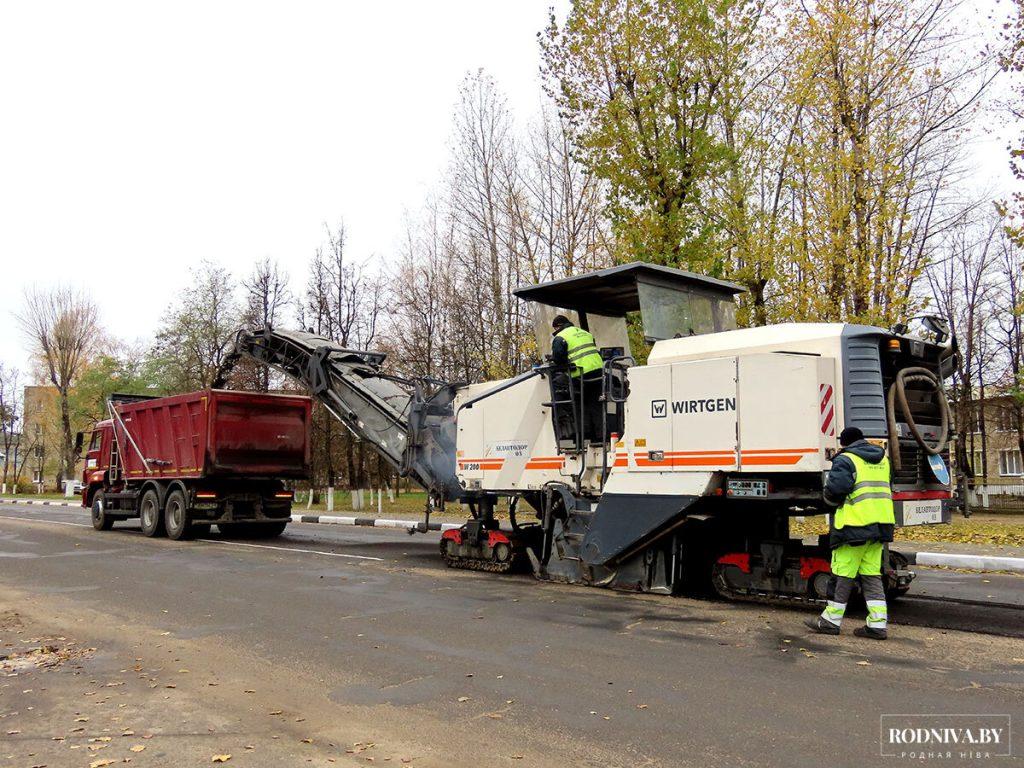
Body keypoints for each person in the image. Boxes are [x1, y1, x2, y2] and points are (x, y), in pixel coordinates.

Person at [805, 426, 895, 640]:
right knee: (871, 576)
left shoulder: (846, 459)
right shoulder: (883, 460)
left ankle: (830, 621)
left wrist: (827, 503)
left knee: (842, 576)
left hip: (853, 527)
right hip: (881, 526)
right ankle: (877, 624)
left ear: (844, 443)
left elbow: (835, 491)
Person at [550, 315, 605, 442]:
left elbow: (558, 358)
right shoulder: (585, 333)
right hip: (599, 372)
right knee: (596, 404)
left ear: (557, 327)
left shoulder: (560, 337)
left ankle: (583, 435)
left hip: (581, 374)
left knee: (578, 404)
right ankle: (600, 436)